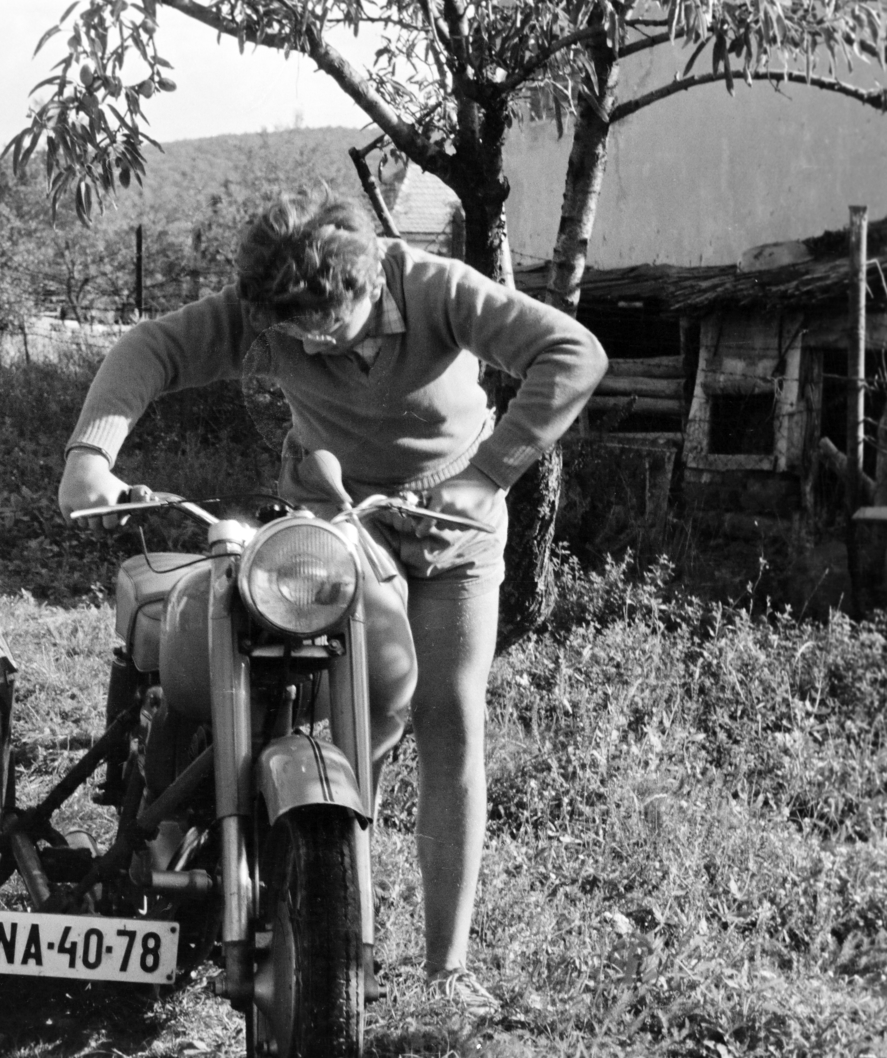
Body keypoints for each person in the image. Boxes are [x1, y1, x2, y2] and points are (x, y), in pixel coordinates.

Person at [56, 188, 606, 1016]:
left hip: (452, 528)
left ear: (369, 284)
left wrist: (487, 474)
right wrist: (91, 455)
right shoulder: (268, 312)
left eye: (326, 325)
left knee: (449, 716)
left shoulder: (435, 288)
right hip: (335, 524)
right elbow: (154, 347)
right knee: (363, 707)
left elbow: (572, 351)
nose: (309, 343)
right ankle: (328, 907)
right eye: (291, 333)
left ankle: (446, 968)